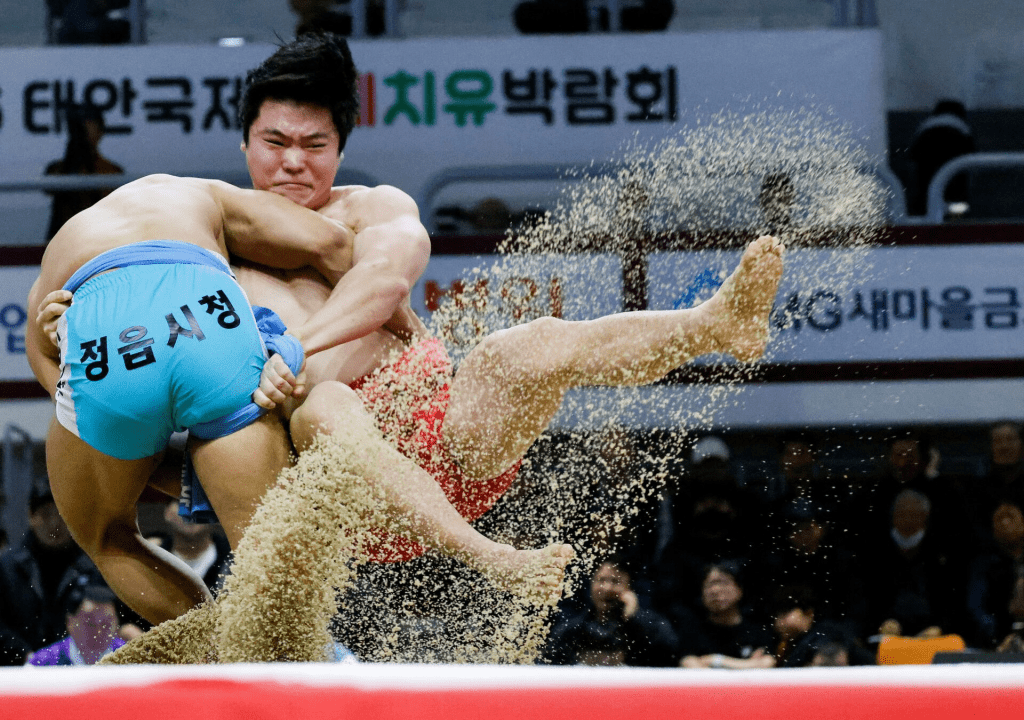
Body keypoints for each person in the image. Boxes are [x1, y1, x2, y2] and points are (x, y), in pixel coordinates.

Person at [219, 32, 786, 567]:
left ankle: (714, 324)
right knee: (326, 404)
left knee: (522, 347)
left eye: (315, 145)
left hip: (449, 434)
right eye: (276, 142)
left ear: (340, 151)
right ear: (245, 141)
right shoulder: (213, 246)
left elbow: (386, 281)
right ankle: (486, 555)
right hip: (342, 485)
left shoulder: (371, 207)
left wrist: (292, 348)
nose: (294, 162)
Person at [31, 174, 577, 627]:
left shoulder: (57, 258)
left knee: (108, 536)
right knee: (275, 579)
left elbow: (56, 371)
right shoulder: (202, 194)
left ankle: (207, 652)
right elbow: (332, 246)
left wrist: (87, 362)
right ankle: (284, 665)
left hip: (89, 327)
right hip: (206, 314)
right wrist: (409, 328)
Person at [0, 486, 89, 665]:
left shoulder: (92, 567)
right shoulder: (6, 565)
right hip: (17, 673)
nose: (55, 523)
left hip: (78, 671)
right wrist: (26, 656)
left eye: (62, 513)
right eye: (46, 513)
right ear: (31, 517)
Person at [544, 556, 677, 666]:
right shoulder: (573, 627)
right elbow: (550, 662)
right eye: (601, 580)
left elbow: (668, 654)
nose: (607, 588)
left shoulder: (650, 623)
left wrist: (633, 617)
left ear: (629, 587)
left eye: (615, 581)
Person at [672, 561, 775, 669]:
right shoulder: (692, 630)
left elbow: (767, 663)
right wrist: (746, 665)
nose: (715, 590)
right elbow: (688, 663)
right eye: (709, 585)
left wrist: (715, 660)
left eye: (723, 582)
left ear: (739, 590)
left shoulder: (757, 630)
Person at [44, 103, 124, 241]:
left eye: (89, 123)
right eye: (80, 125)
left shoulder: (111, 171)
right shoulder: (58, 169)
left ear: (100, 130)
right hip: (64, 243)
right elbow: (49, 187)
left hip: (101, 242)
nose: (84, 130)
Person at [26, 575, 125, 666]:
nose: (98, 632)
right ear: (70, 622)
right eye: (90, 624)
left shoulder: (132, 659)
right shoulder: (42, 664)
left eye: (106, 624)